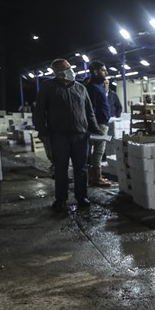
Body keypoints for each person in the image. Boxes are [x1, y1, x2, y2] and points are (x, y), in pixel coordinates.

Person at [33, 58, 102, 211]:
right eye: (65, 68)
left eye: (69, 67)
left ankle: (81, 197)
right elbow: (39, 112)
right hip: (59, 135)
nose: (70, 70)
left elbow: (89, 112)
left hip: (80, 135)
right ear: (57, 73)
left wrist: (96, 129)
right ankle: (61, 198)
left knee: (81, 169)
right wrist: (42, 132)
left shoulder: (81, 88)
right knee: (61, 169)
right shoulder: (47, 87)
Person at [84, 61, 114, 187]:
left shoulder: (99, 85)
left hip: (102, 122)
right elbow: (92, 109)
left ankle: (94, 176)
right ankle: (96, 178)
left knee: (98, 151)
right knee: (98, 151)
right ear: (95, 72)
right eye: (103, 70)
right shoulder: (92, 87)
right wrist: (95, 127)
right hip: (99, 124)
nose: (106, 72)